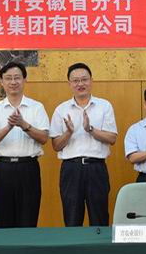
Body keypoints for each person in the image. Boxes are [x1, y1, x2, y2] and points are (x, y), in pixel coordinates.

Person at [0, 61, 50, 228]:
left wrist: (24, 125)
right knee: (3, 221)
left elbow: (44, 138)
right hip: (1, 170)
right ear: (2, 82)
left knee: (28, 219)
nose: (13, 82)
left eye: (17, 77)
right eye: (8, 78)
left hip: (28, 168)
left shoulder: (36, 107)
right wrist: (8, 127)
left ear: (24, 80)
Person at [49, 62, 117, 227]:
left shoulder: (104, 106)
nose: (80, 84)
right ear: (69, 83)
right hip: (71, 169)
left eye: (84, 79)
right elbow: (56, 145)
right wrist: (68, 132)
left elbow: (112, 138)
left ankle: (100, 245)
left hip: (96, 168)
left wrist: (90, 129)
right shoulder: (61, 109)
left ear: (91, 80)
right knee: (72, 218)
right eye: (76, 80)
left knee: (99, 218)